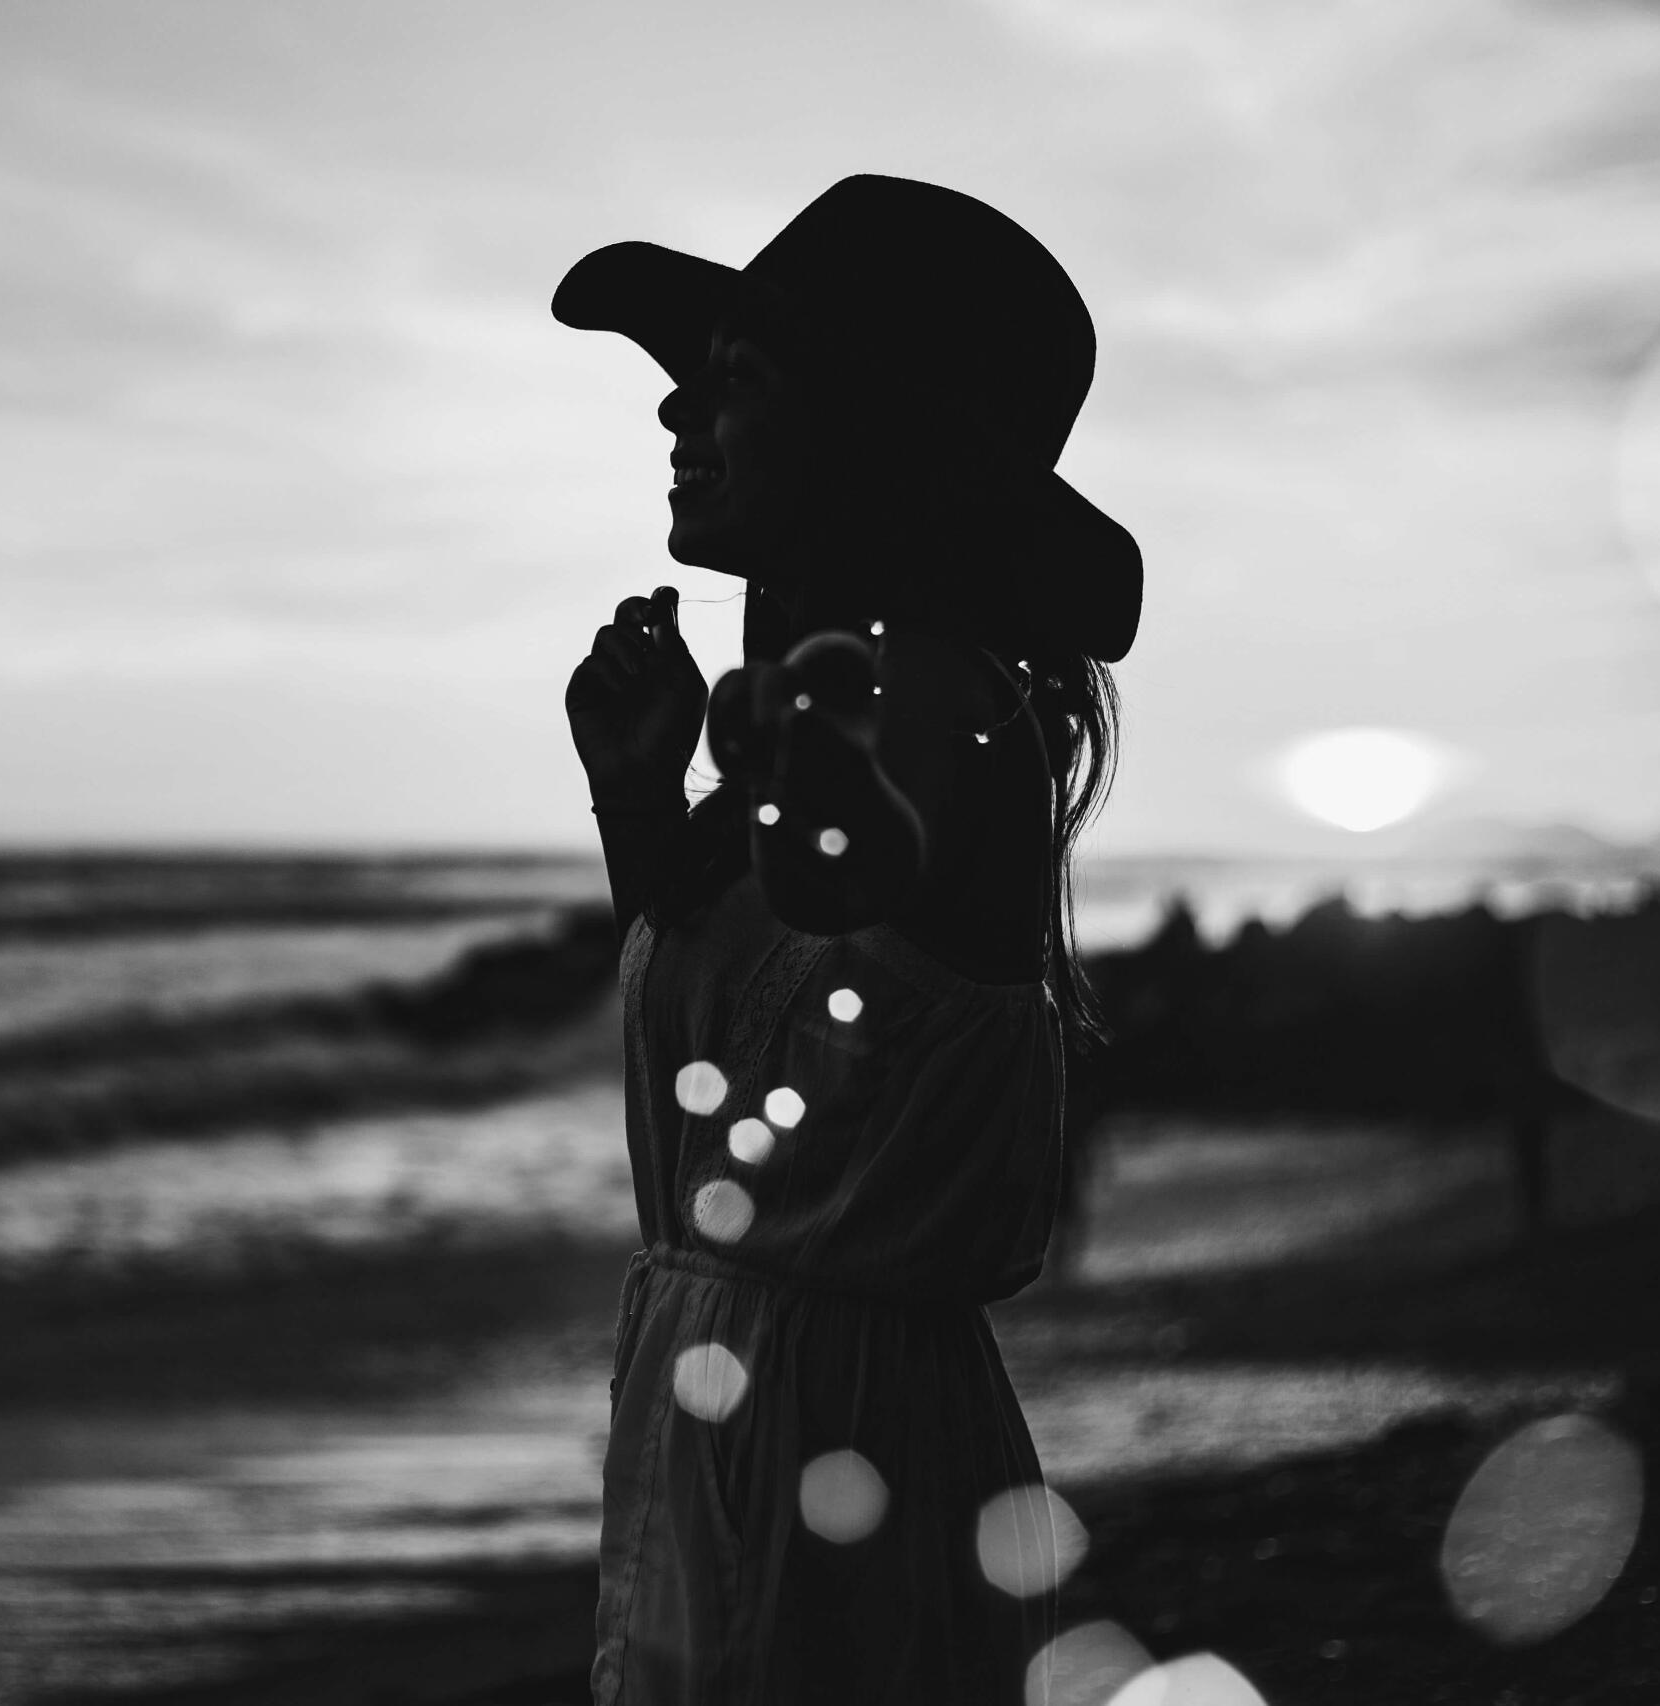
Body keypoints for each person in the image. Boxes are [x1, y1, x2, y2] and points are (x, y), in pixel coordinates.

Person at [552, 175, 1142, 1702]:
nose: (680, 412)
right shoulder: (835, 707)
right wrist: (639, 799)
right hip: (738, 1400)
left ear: (883, 439)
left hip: (835, 1440)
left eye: (739, 377)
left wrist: (782, 778)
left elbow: (854, 883)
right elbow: (750, 1067)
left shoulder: (942, 709)